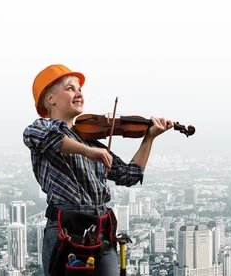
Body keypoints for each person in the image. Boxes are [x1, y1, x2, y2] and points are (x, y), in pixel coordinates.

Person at [23, 64, 173, 276]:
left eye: (80, 90)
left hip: (101, 229)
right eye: (70, 88)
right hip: (65, 229)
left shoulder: (91, 141)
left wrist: (149, 138)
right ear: (51, 99)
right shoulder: (38, 129)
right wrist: (89, 152)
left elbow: (129, 174)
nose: (78, 93)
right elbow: (53, 140)